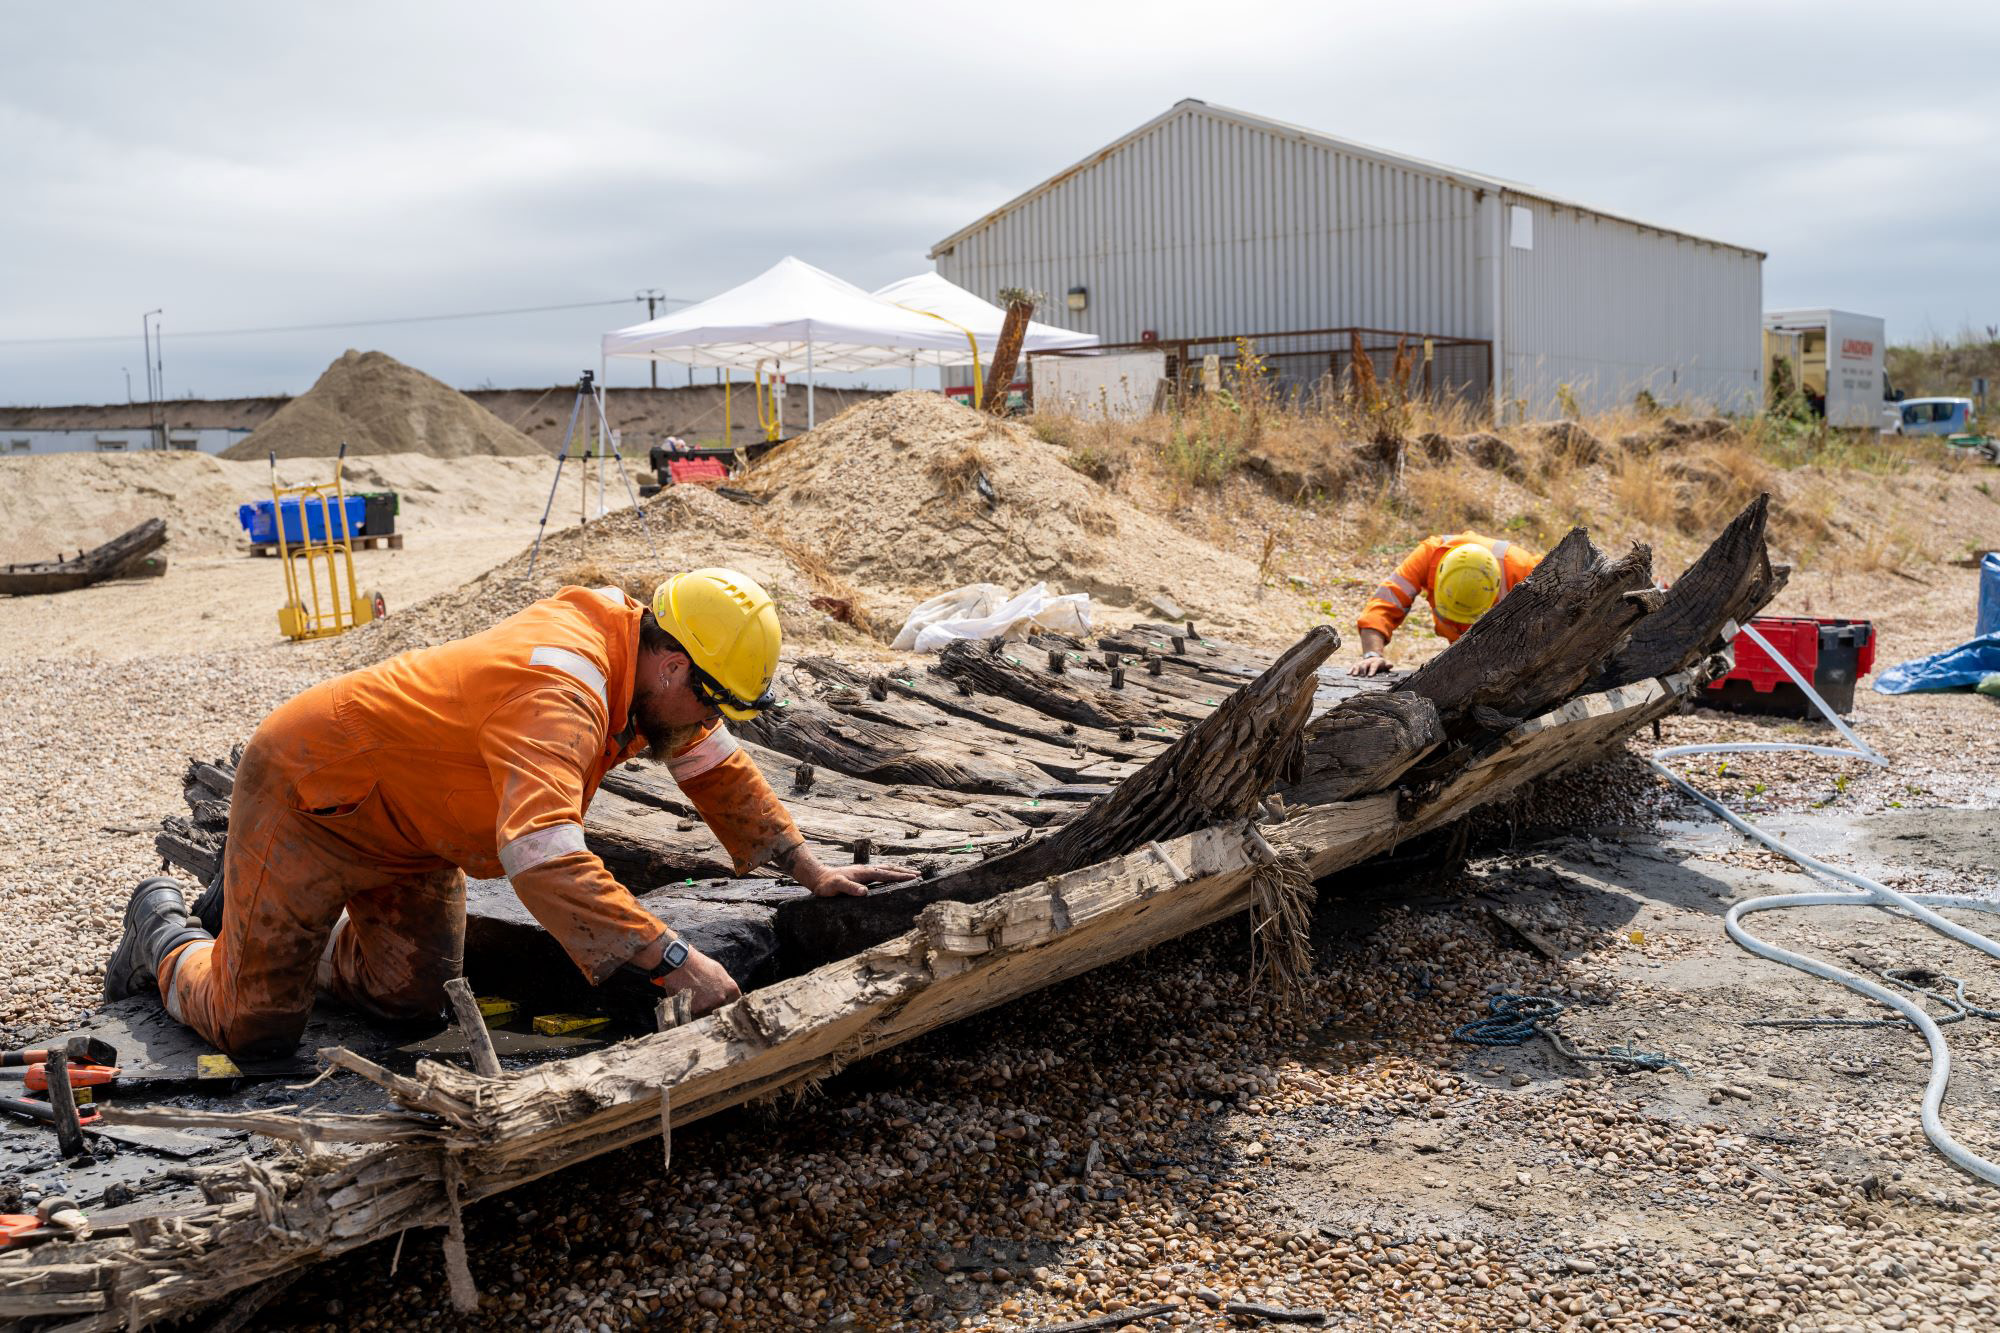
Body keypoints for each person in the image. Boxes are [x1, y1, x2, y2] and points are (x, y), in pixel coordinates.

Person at [103, 568, 914, 1059]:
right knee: (253, 1030)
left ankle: (268, 931)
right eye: (707, 698)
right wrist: (676, 961)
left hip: (412, 833)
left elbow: (713, 762)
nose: (709, 718)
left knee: (412, 998)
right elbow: (542, 857)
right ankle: (164, 932)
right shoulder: (562, 693)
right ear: (671, 664)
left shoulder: (647, 661)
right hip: (313, 793)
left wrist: (809, 868)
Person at [1349, 532, 1540, 676]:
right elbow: (1385, 602)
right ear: (1438, 576)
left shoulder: (1525, 569)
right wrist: (1372, 654)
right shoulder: (1428, 555)